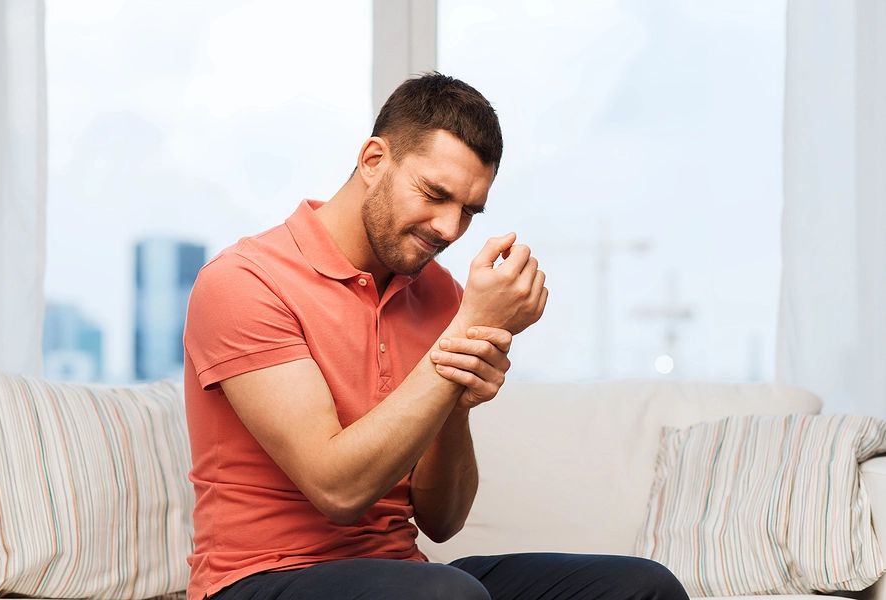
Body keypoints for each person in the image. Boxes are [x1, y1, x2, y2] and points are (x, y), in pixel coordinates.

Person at [183, 72, 688, 600]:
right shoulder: (244, 282)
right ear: (374, 161)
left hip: (406, 575)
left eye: (468, 210)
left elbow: (442, 522)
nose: (449, 228)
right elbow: (337, 489)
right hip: (259, 579)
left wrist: (459, 400)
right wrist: (463, 334)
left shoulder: (440, 295)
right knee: (446, 595)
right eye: (434, 193)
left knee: (642, 587)